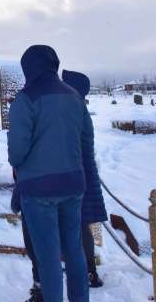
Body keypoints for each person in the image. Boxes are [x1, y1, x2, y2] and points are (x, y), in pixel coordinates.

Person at [8, 45, 91, 302]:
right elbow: (86, 139)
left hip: (38, 188)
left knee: (49, 258)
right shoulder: (75, 96)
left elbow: (17, 151)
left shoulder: (26, 98)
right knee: (75, 252)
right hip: (73, 183)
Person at [63, 70, 106, 289]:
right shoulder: (77, 108)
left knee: (78, 225)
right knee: (79, 224)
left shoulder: (73, 111)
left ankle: (88, 270)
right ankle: (86, 268)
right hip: (82, 174)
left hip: (77, 174)